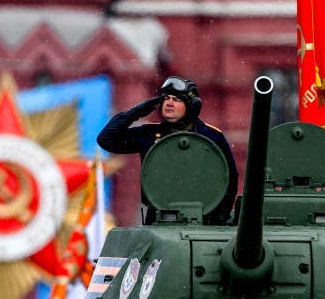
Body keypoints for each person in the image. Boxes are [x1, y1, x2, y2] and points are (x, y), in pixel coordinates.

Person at [97, 76, 238, 224]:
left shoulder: (211, 136)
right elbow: (106, 140)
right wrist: (135, 113)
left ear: (192, 106)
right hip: (159, 218)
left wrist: (220, 217)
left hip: (203, 218)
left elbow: (229, 177)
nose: (169, 103)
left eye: (177, 100)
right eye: (166, 98)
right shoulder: (150, 134)